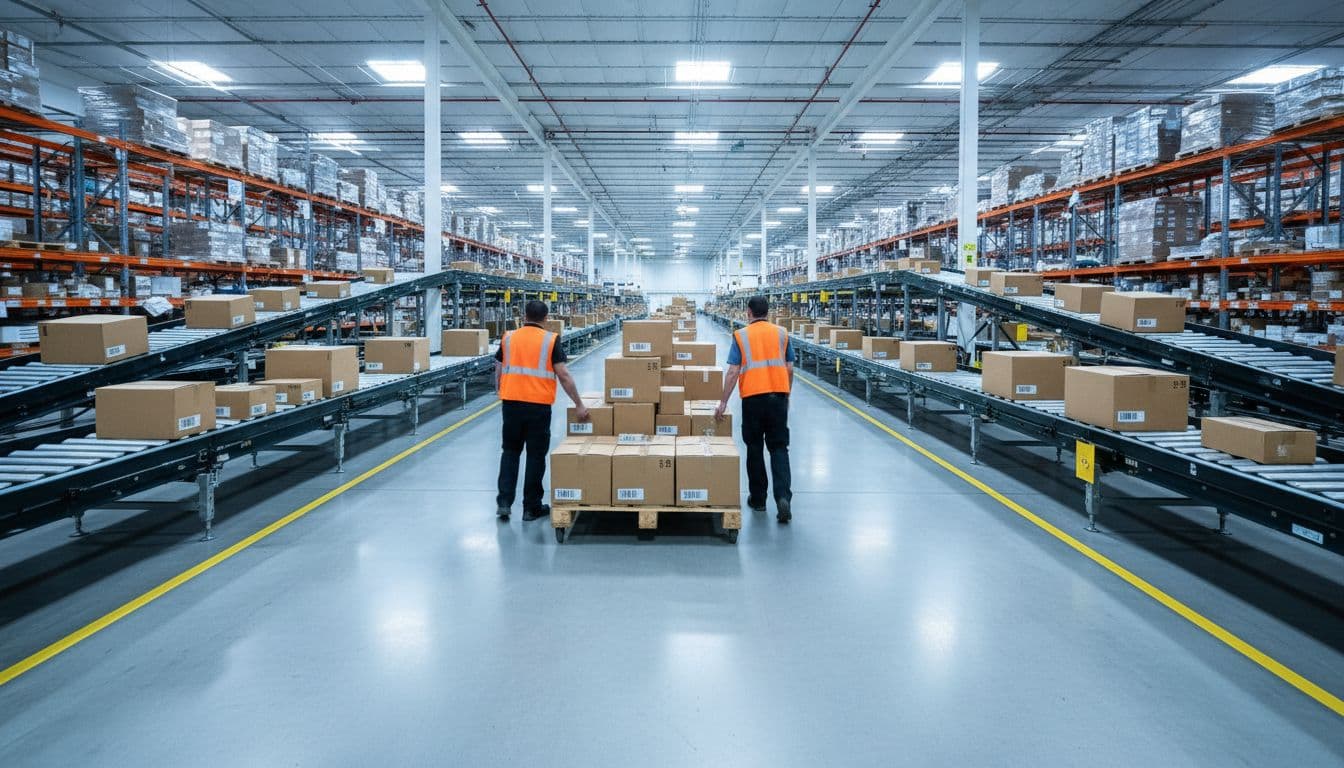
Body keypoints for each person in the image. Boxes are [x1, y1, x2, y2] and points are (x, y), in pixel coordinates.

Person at [494, 300, 588, 521]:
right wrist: (579, 404)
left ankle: (505, 502)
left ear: (525, 315)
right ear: (546, 319)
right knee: (536, 456)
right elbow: (563, 375)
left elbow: (498, 367)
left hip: (511, 405)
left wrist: (501, 390)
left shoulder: (509, 337)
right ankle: (531, 507)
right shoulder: (550, 340)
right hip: (538, 407)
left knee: (510, 452)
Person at [714, 295, 794, 523]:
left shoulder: (741, 336)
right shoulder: (782, 333)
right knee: (779, 448)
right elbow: (789, 368)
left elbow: (732, 372)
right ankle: (782, 498)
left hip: (752, 399)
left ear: (748, 312)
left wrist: (723, 402)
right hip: (778, 397)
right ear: (767, 312)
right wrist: (786, 395)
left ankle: (758, 499)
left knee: (755, 447)